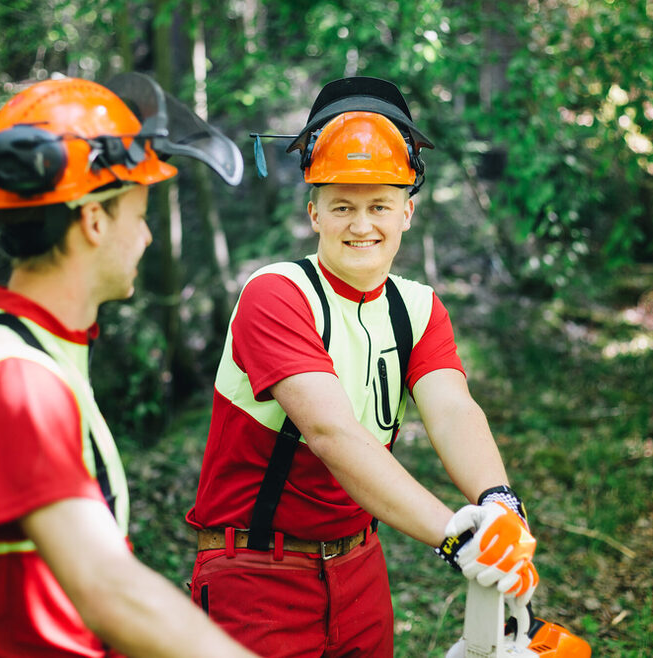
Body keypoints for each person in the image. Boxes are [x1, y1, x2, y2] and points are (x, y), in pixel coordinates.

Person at [186, 77, 538, 657]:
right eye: (342, 206)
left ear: (407, 212)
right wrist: (455, 535)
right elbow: (331, 434)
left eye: (379, 205)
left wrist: (497, 499)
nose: (361, 225)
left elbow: (451, 408)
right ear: (314, 214)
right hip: (257, 570)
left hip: (357, 564)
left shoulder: (417, 306)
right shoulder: (276, 294)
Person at [0, 76, 257, 657]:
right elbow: (109, 591)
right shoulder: (13, 379)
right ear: (94, 220)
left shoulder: (37, 355)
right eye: (140, 212)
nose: (148, 236)